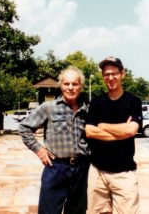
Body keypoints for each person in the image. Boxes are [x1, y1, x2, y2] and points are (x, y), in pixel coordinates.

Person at [19, 66, 90, 214]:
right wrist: (38, 149)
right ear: (61, 85)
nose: (70, 88)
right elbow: (24, 127)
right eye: (66, 84)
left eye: (74, 84)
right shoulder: (49, 108)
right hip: (56, 169)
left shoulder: (87, 110)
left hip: (81, 170)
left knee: (77, 211)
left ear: (80, 87)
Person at [85, 56, 142, 214]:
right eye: (106, 74)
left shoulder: (133, 101)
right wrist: (121, 132)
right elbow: (89, 131)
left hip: (124, 174)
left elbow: (131, 130)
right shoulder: (97, 103)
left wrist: (102, 125)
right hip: (98, 173)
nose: (110, 78)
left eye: (114, 73)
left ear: (122, 73)